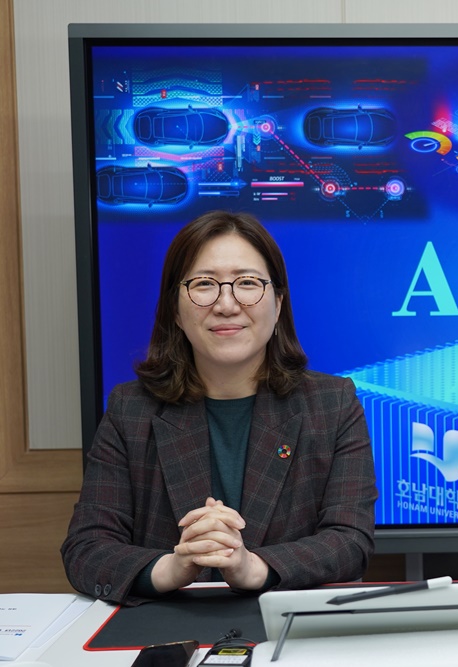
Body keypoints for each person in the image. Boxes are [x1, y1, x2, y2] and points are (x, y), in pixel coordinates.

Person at [62, 210, 378, 606]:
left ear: (278, 304)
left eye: (247, 283)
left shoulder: (333, 405)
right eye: (204, 284)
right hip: (168, 628)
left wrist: (252, 567)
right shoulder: (131, 410)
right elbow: (86, 548)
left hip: (287, 626)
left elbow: (350, 542)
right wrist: (173, 566)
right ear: (175, 310)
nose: (227, 305)